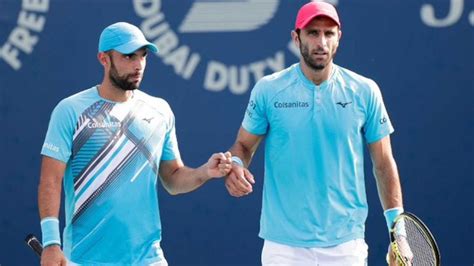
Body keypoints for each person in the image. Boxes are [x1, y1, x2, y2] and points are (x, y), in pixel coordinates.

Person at [224, 2, 411, 265]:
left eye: (328, 33)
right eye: (312, 33)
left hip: (346, 244)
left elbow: (383, 163)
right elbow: (243, 144)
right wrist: (235, 164)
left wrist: (398, 234)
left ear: (339, 38)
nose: (321, 42)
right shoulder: (268, 90)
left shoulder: (365, 91)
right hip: (283, 245)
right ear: (296, 37)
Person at [37, 22, 232, 265]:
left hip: (148, 258)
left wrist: (205, 172)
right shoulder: (70, 111)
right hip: (86, 259)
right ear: (103, 59)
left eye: (143, 56)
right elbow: (50, 181)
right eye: (128, 56)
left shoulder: (160, 111)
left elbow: (172, 179)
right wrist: (51, 243)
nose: (138, 64)